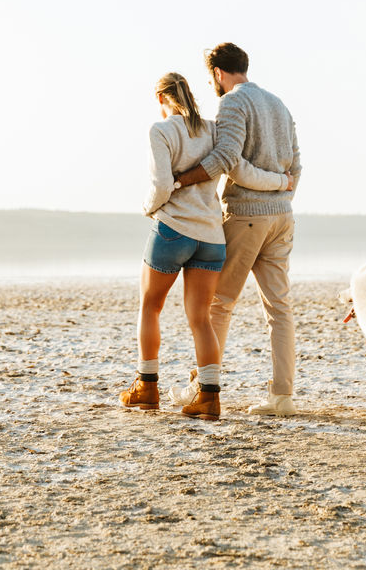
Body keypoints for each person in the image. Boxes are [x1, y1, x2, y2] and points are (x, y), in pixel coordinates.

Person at [120, 72, 290, 421]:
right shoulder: (213, 129)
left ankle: (146, 387)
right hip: (211, 237)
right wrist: (281, 182)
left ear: (160, 98)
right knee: (201, 319)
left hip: (173, 230)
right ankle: (209, 398)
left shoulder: (161, 130)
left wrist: (148, 209)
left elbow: (161, 185)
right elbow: (234, 166)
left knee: (150, 307)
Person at [171, 43, 302, 416]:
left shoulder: (232, 103)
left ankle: (202, 387)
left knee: (219, 304)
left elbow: (230, 161)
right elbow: (296, 168)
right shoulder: (279, 104)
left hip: (247, 214)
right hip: (282, 217)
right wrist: (282, 190)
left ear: (217, 73)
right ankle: (283, 397)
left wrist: (181, 180)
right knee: (280, 308)